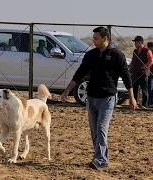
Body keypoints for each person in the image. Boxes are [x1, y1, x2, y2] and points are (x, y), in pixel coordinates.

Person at [61, 27, 137, 170]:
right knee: (95, 131)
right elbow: (79, 73)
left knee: (102, 128)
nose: (93, 40)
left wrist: (132, 98)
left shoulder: (117, 55)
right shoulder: (91, 55)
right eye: (93, 38)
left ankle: (100, 160)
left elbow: (127, 77)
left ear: (105, 38)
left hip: (107, 99)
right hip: (91, 98)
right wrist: (67, 90)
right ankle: (101, 158)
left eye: (96, 38)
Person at [129, 36, 153, 108]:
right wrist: (130, 67)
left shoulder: (147, 50)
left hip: (143, 73)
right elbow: (133, 61)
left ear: (140, 42)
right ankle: (134, 103)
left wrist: (144, 67)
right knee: (134, 88)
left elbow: (151, 61)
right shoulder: (135, 51)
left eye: (136, 42)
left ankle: (144, 104)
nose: (135, 44)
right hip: (135, 72)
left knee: (144, 89)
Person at [147, 42, 153, 106]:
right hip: (150, 70)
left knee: (150, 87)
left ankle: (150, 101)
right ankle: (150, 101)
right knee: (149, 86)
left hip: (151, 70)